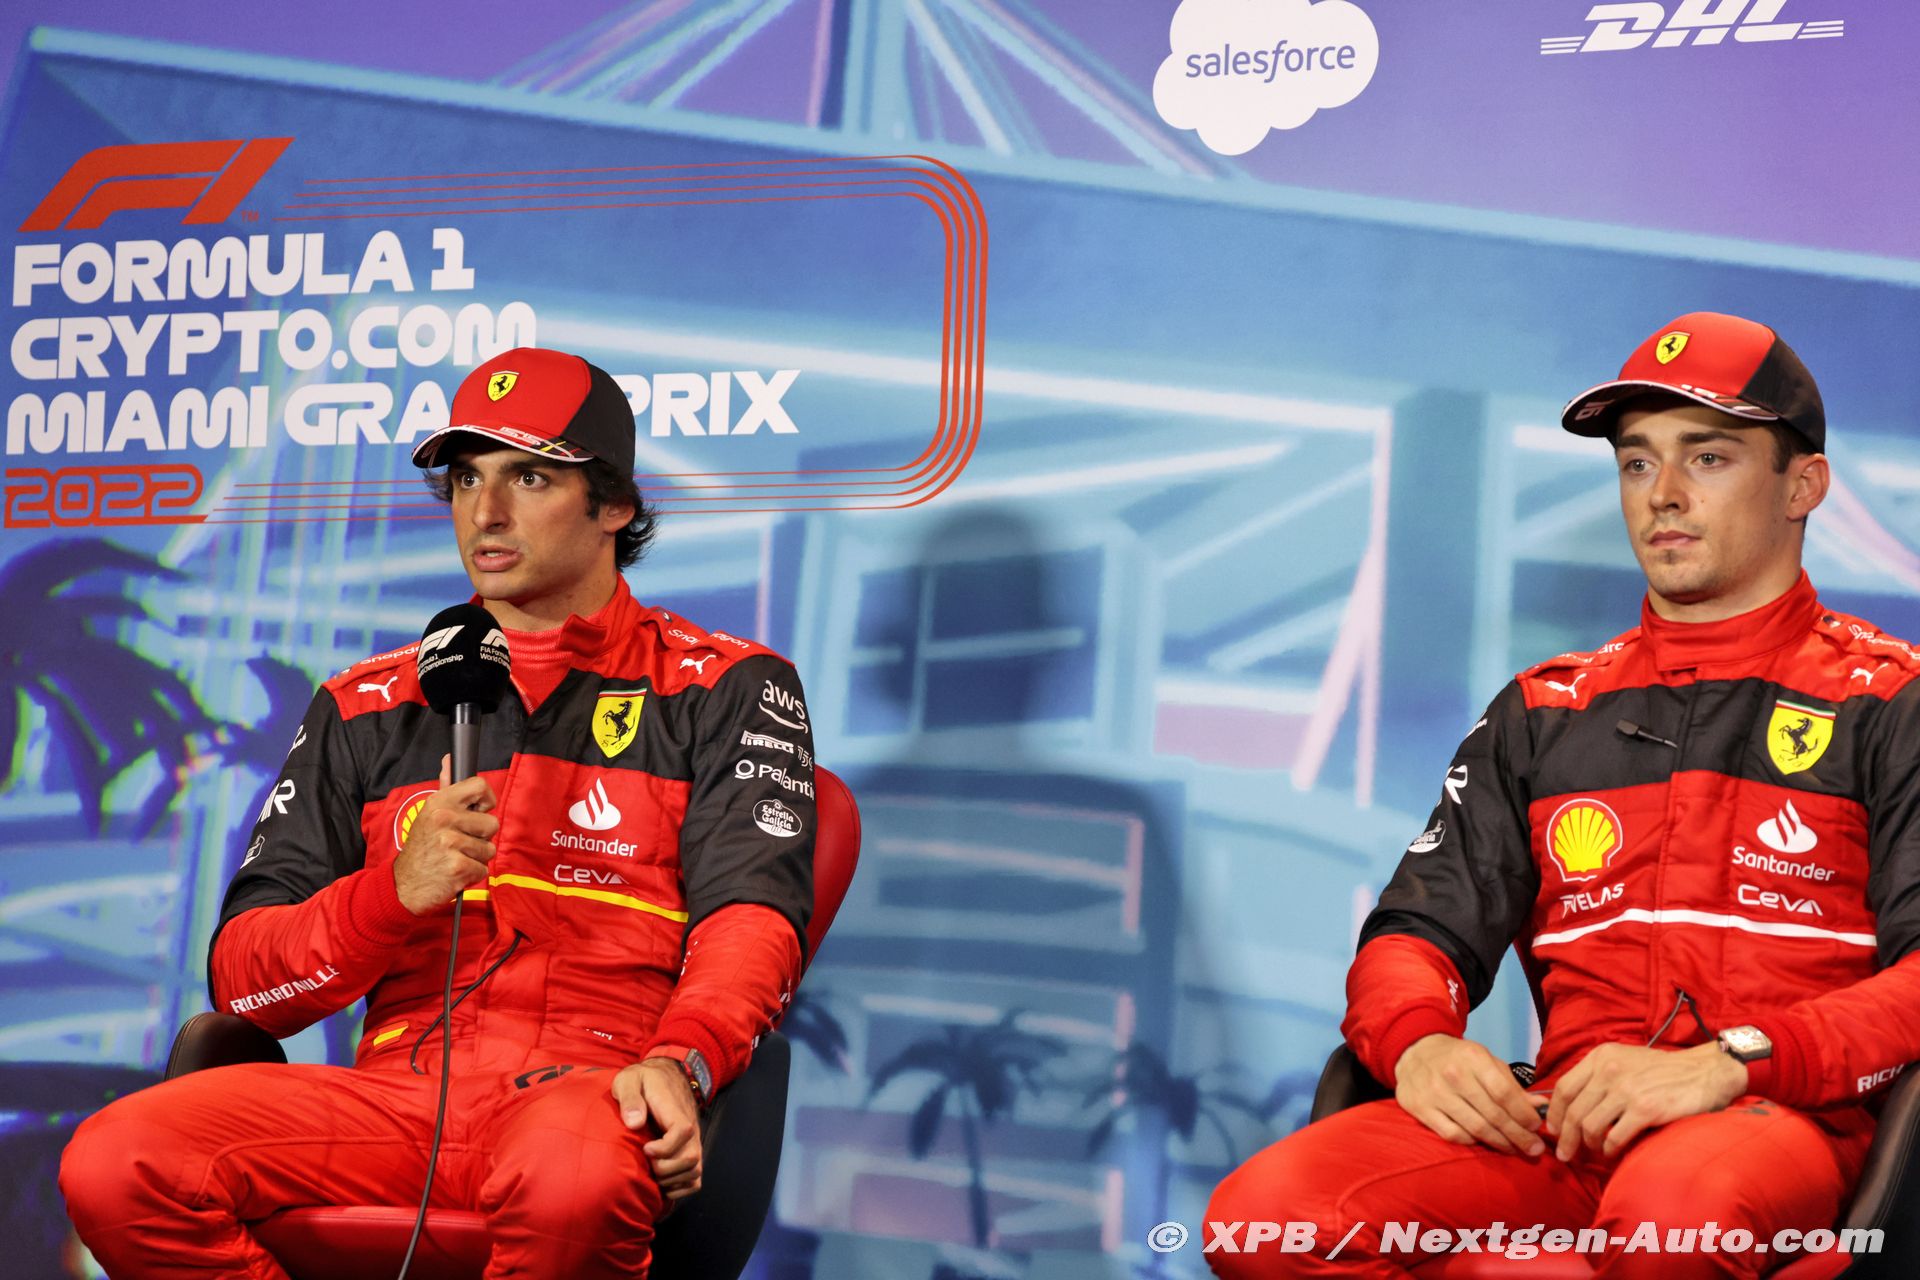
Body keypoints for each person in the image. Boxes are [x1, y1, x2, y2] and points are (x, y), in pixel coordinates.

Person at [59, 346, 817, 1279]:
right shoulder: (362, 704)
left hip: (595, 1089)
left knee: (573, 1175)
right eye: (465, 479)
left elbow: (752, 922)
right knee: (115, 1162)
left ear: (614, 504)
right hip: (394, 1099)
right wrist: (390, 894)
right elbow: (246, 981)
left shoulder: (726, 686)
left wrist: (681, 1061)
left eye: (528, 477)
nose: (484, 513)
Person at [1208, 312, 1920, 1277]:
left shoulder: (1893, 701)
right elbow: (1417, 932)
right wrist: (1418, 1044)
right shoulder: (1546, 711)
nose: (1663, 494)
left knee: (1672, 1224)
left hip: (1779, 1120)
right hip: (1567, 1124)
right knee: (1263, 1221)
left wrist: (1730, 1062)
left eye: (1708, 458)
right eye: (1637, 463)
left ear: (1804, 485)